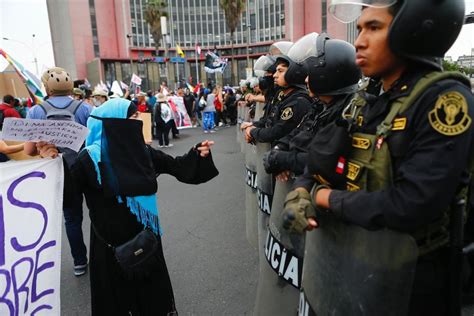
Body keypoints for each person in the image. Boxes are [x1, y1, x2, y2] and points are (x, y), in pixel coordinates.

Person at [286, 1, 473, 315]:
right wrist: (302, 191)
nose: (358, 40)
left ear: (414, 29)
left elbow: (411, 204)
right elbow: (320, 161)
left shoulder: (445, 100)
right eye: (359, 29)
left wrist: (324, 197)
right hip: (357, 264)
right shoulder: (366, 100)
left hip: (414, 281)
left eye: (374, 28)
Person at [44, 98, 218, 315]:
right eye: (133, 117)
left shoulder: (142, 152)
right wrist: (52, 164)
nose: (138, 122)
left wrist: (196, 153)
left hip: (147, 242)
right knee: (117, 303)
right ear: (113, 123)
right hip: (109, 249)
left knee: (152, 300)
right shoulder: (88, 159)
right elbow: (68, 198)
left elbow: (177, 166)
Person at [25, 67, 92, 277]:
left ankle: (80, 262)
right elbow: (93, 140)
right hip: (86, 166)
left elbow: (29, 150)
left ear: (46, 86)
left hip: (59, 170)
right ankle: (107, 256)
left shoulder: (36, 111)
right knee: (98, 210)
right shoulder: (84, 107)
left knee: (72, 218)